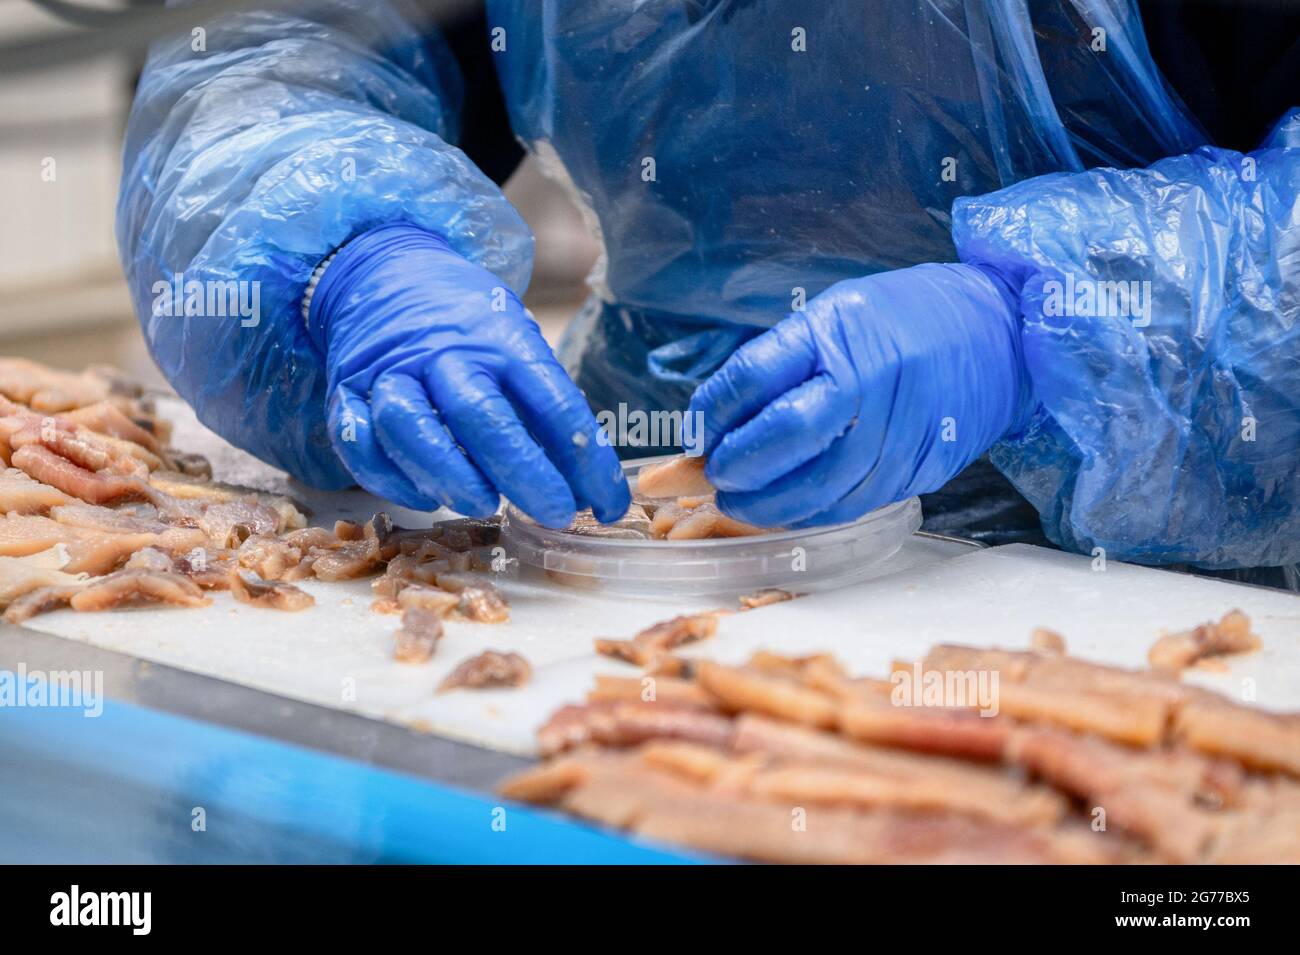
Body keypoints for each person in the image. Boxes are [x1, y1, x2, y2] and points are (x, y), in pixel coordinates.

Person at [117, 1, 1300, 587]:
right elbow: (278, 61)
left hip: (1133, 591)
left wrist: (1049, 335)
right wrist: (350, 258)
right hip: (612, 548)